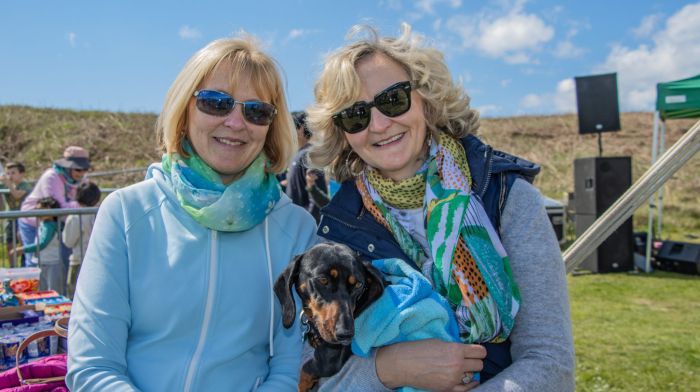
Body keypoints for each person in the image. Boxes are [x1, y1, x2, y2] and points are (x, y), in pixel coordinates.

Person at [305, 24, 575, 391]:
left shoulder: (506, 196)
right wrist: (387, 370)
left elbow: (549, 362)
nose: (380, 124)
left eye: (393, 100)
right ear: (343, 133)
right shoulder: (337, 231)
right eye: (356, 115)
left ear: (426, 99)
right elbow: (321, 378)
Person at [66, 36, 317, 391]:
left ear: (271, 127)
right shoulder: (125, 213)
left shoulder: (296, 229)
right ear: (184, 110)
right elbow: (93, 366)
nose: (235, 122)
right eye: (216, 103)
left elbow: (289, 368)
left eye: (256, 111)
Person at [18, 146, 90, 266]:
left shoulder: (82, 179)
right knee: (35, 260)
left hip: (59, 223)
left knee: (59, 261)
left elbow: (86, 198)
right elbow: (56, 207)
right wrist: (80, 205)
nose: (82, 173)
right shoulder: (51, 176)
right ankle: (31, 284)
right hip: (35, 220)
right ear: (68, 166)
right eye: (78, 169)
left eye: (85, 169)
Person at [10, 197, 65, 294]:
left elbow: (42, 243)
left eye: (39, 209)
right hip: (43, 263)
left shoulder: (50, 226)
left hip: (52, 264)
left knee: (53, 292)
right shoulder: (44, 224)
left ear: (49, 210)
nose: (37, 212)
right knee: (43, 291)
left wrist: (22, 249)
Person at [285, 111, 328, 223]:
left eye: (290, 127)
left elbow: (317, 194)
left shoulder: (309, 155)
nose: (287, 131)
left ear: (302, 128)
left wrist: (308, 223)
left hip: (306, 226)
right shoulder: (298, 155)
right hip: (295, 222)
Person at [62, 181, 101, 299]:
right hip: (98, 260)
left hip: (78, 261)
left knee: (74, 294)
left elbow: (68, 241)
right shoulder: (101, 213)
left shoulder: (75, 217)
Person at [0, 162, 33, 267]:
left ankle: (25, 265)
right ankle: (12, 268)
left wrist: (7, 183)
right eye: (8, 173)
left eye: (13, 173)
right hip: (10, 219)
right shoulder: (5, 184)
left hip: (23, 219)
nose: (10, 176)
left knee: (23, 243)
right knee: (10, 244)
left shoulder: (25, 185)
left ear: (22, 174)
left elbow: (16, 195)